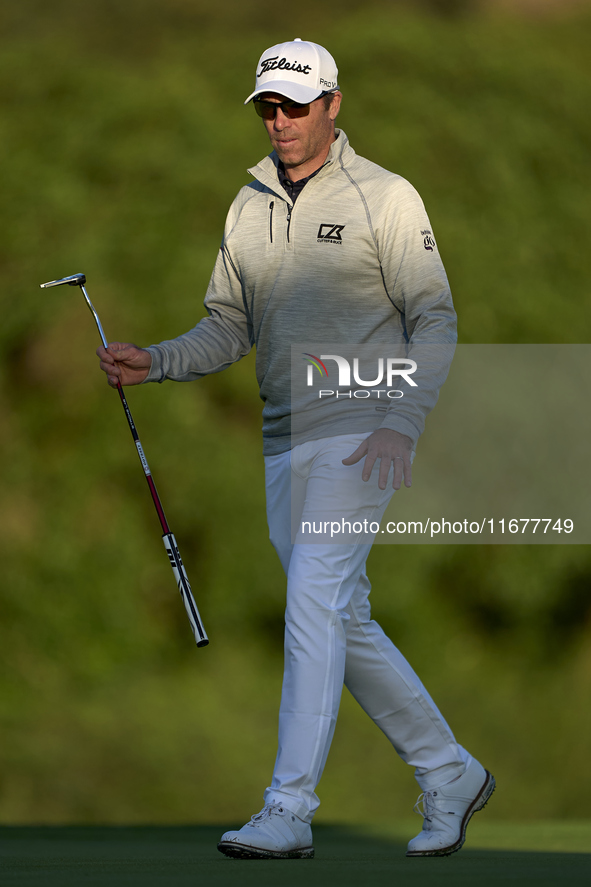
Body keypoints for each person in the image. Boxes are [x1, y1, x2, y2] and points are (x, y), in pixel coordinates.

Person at [97, 38, 495, 859]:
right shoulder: (245, 206)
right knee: (339, 616)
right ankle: (448, 768)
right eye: (268, 107)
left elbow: (436, 321)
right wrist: (158, 360)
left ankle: (289, 805)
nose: (279, 120)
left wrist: (402, 420)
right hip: (285, 435)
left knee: (312, 599)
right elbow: (229, 325)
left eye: (294, 105)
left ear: (332, 105)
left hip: (362, 424)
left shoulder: (386, 196)